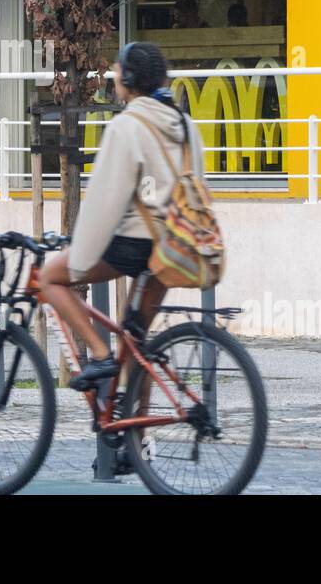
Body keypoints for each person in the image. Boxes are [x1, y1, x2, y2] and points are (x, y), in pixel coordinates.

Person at [38, 41, 205, 390]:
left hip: (136, 244)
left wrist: (81, 257)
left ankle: (99, 354)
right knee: (136, 346)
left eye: (116, 71)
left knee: (50, 277)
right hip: (176, 245)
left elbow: (104, 201)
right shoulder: (185, 124)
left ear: (128, 79)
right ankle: (136, 438)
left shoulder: (126, 126)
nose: (113, 77)